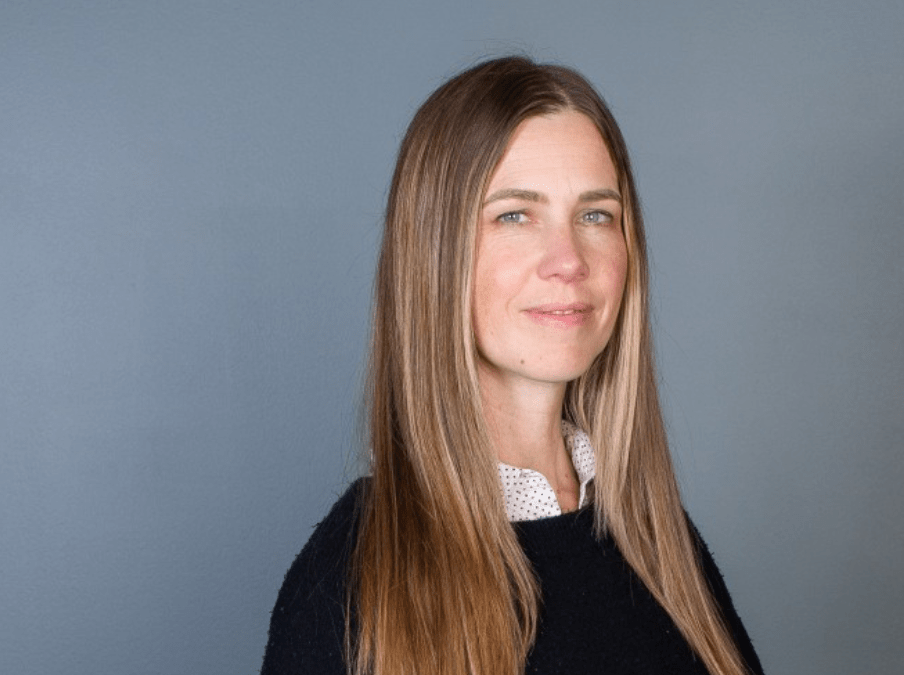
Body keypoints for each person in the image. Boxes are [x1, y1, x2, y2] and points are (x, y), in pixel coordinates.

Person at [261, 56, 764, 675]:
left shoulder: (663, 546)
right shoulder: (350, 583)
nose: (568, 260)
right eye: (515, 215)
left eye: (595, 215)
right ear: (435, 255)